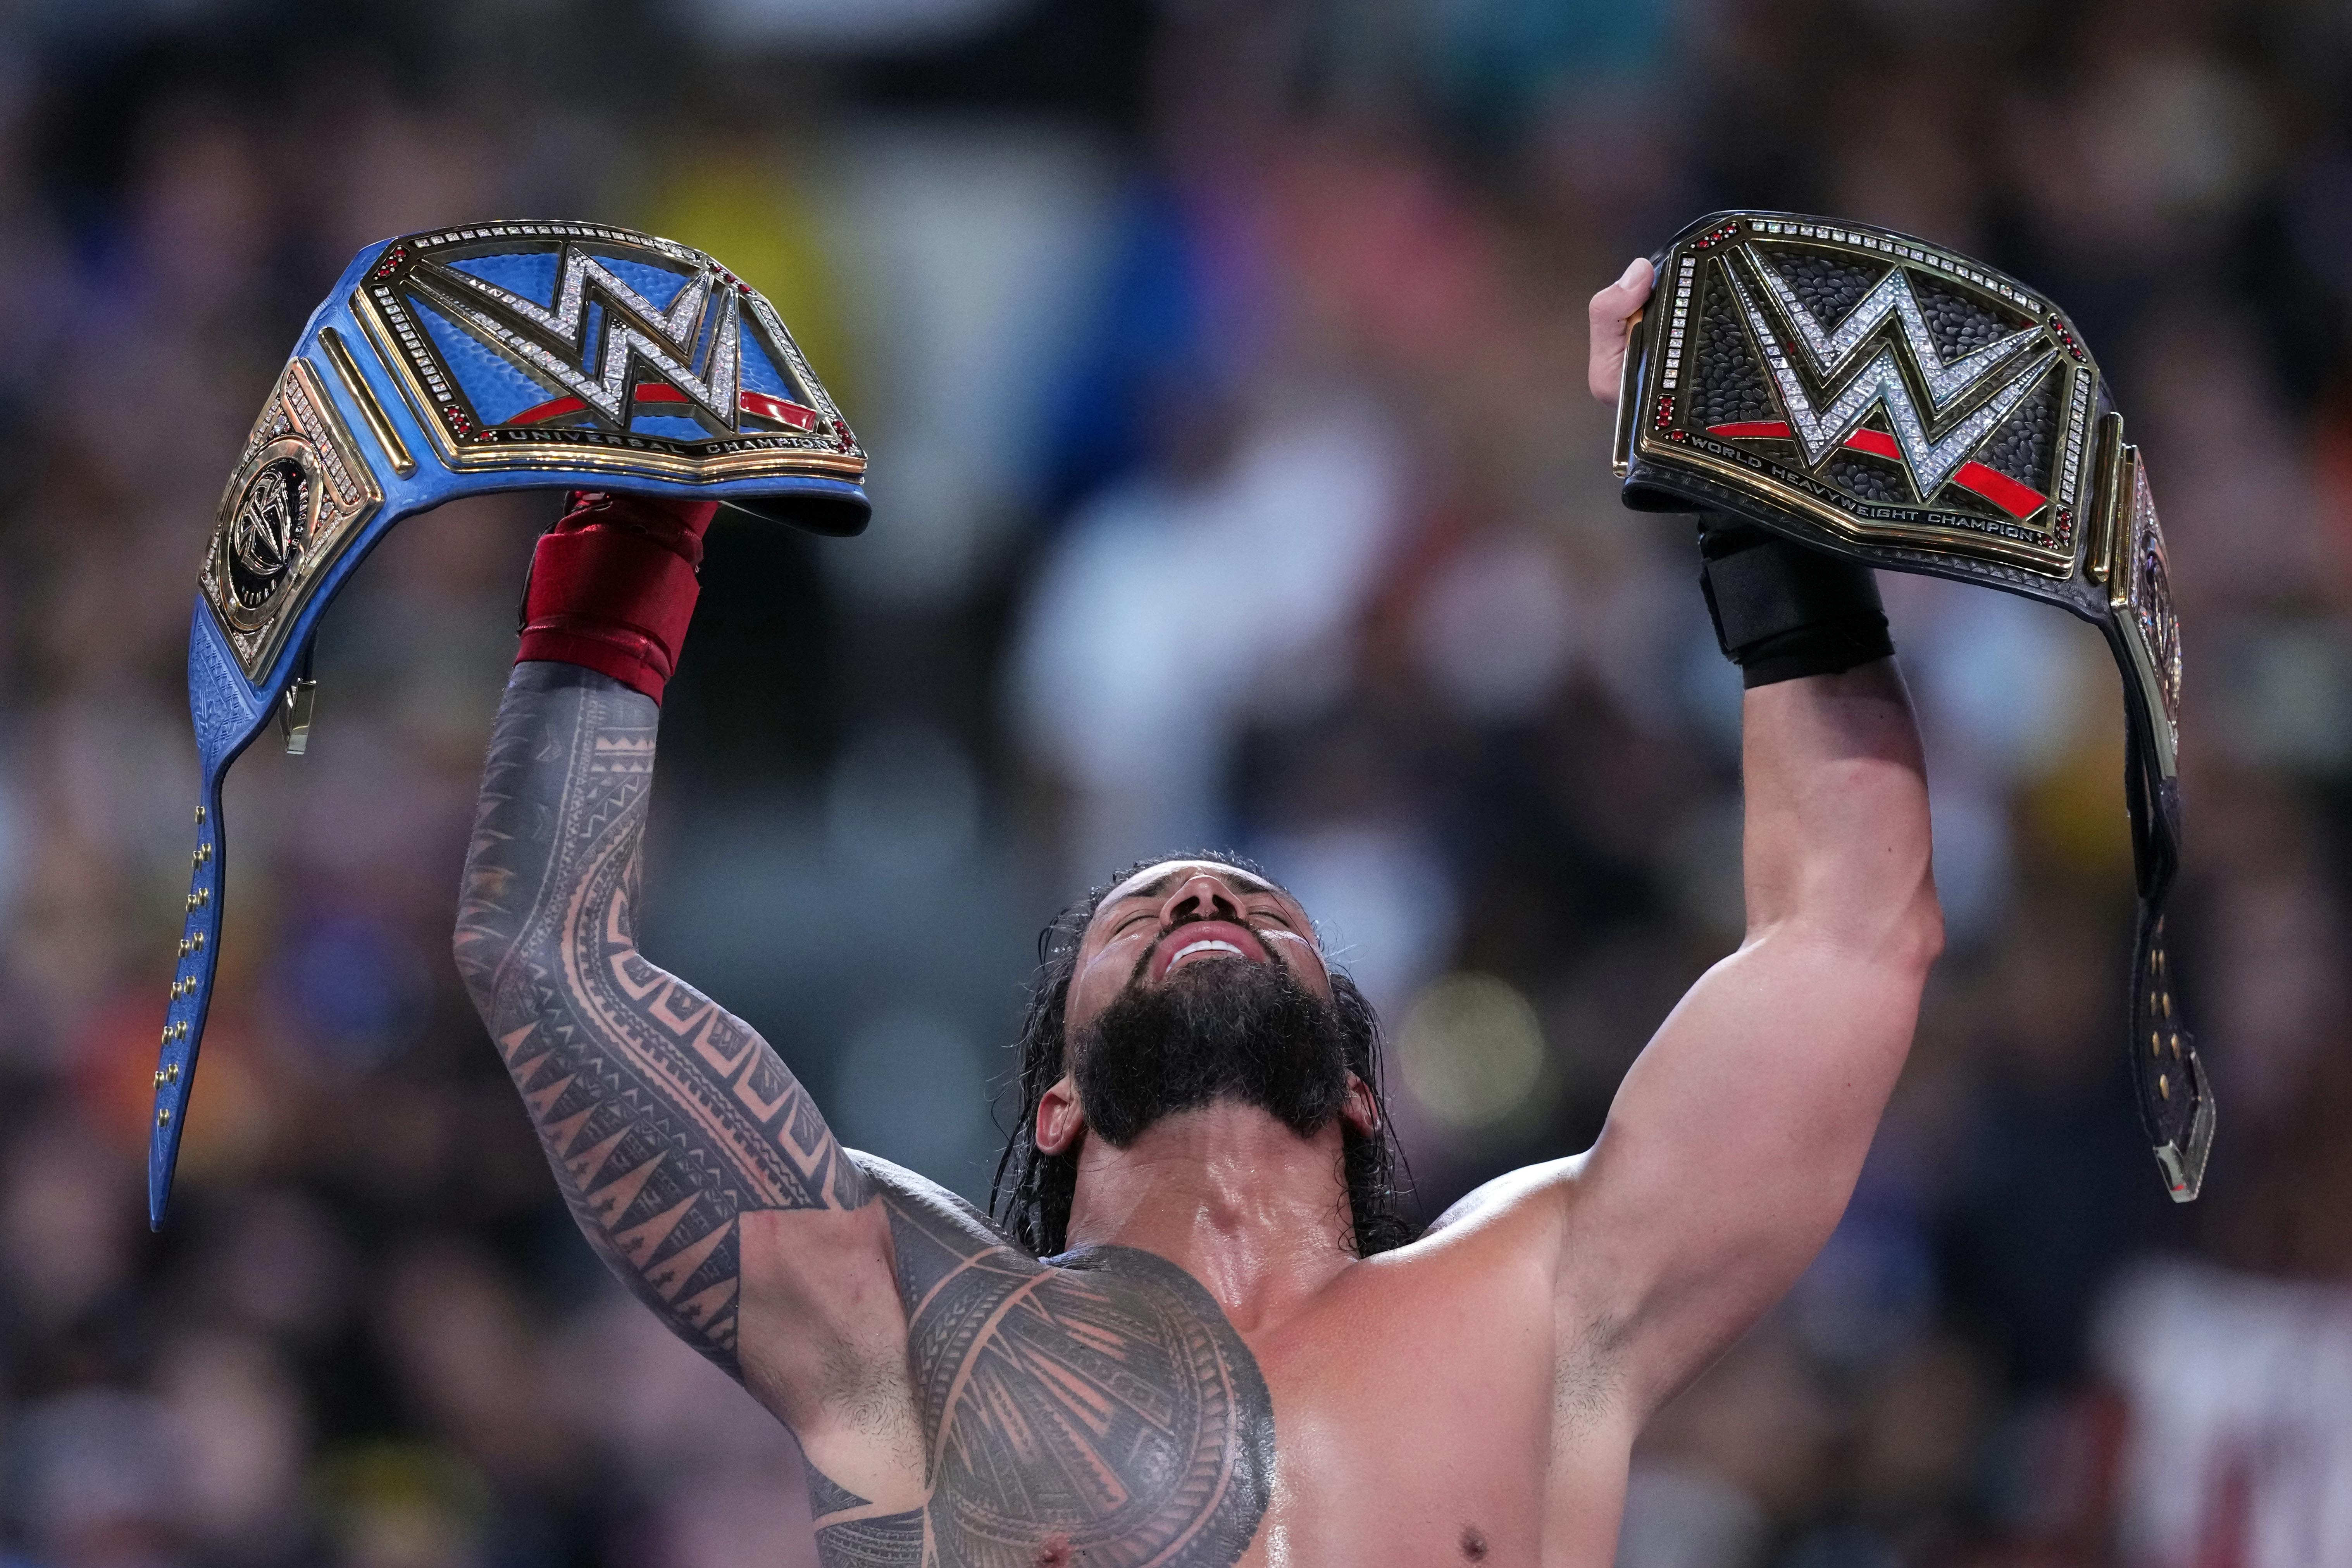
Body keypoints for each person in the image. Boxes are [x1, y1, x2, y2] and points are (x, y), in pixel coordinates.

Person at [453, 255, 1944, 1568]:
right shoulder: (909, 1329)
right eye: (1139, 910)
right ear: (1052, 1104)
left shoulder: (1549, 1302)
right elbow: (543, 960)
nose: (1206, 888)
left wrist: (1771, 526)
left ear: (1363, 1090)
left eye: (1252, 904)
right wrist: (635, 538)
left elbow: (1849, 938)